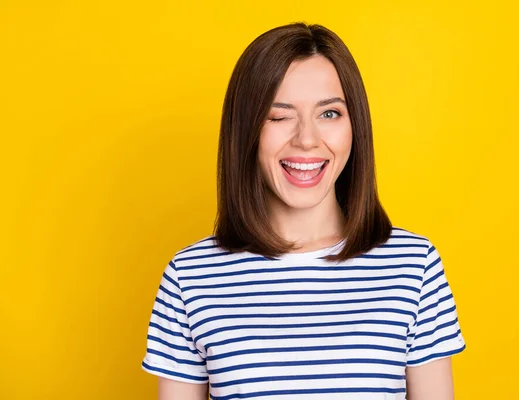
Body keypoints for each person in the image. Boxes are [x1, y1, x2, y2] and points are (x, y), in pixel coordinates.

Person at [141, 22, 465, 400]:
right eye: (279, 116)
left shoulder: (415, 265)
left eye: (329, 114)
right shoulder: (190, 278)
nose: (307, 139)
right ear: (246, 130)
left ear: (355, 125)